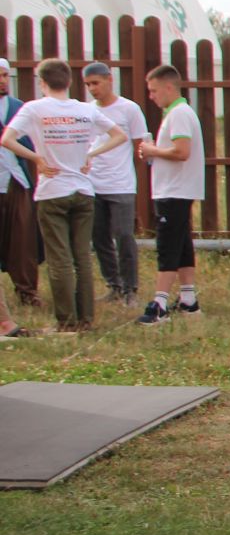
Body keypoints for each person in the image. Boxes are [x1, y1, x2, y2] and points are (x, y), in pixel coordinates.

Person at [0, 59, 129, 331]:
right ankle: (86, 319)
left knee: (59, 259)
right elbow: (119, 135)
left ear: (42, 82)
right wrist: (89, 155)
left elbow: (7, 139)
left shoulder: (34, 108)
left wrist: (37, 158)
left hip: (52, 190)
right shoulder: (85, 110)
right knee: (82, 256)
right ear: (70, 82)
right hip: (83, 190)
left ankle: (66, 321)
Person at [135, 65, 205, 324]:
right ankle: (188, 299)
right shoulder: (178, 113)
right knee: (182, 244)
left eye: (154, 90)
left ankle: (160, 303)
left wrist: (152, 150)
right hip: (178, 189)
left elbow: (181, 151)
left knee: (168, 246)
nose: (151, 96)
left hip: (174, 190)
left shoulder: (178, 115)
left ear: (168, 87)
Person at [81, 62, 151, 306]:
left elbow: (139, 145)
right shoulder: (88, 110)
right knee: (99, 236)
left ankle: (131, 288)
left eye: (96, 83)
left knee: (123, 235)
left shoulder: (129, 109)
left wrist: (132, 173)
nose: (92, 89)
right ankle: (114, 284)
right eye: (88, 85)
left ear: (109, 80)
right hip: (93, 183)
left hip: (121, 183)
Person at [0, 58, 41, 309]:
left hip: (16, 181)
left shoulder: (19, 108)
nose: (2, 80)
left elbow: (31, 143)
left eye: (5, 75)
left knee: (22, 238)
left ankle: (27, 291)